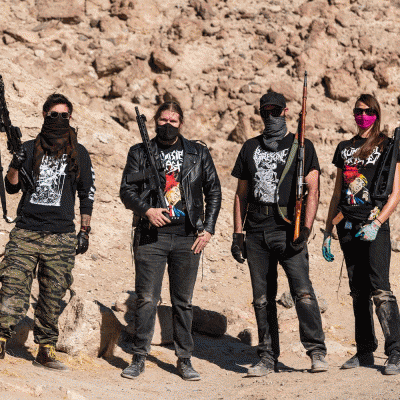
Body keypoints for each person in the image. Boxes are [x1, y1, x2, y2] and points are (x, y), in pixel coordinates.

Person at [119, 101, 221, 381]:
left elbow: (213, 190)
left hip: (188, 236)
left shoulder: (197, 152)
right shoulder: (139, 152)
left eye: (173, 121)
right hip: (151, 235)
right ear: (155, 121)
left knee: (183, 301)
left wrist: (208, 229)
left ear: (181, 123)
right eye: (163, 120)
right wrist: (147, 211)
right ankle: (139, 357)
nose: (167, 125)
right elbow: (126, 190)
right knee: (146, 299)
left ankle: (184, 359)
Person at [231, 91, 328, 376]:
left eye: (276, 111)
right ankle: (267, 357)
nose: (271, 116)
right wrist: (238, 233)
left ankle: (316, 352)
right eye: (266, 111)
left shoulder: (302, 146)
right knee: (262, 299)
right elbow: (241, 194)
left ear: (285, 111)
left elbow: (313, 189)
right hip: (256, 230)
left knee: (303, 292)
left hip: (288, 228)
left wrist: (306, 228)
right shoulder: (249, 147)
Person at [0, 94, 95, 370]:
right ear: (44, 115)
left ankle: (45, 349)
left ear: (71, 118)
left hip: (61, 236)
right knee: (12, 288)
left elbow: (86, 193)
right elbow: (11, 187)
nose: (59, 120)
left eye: (65, 115)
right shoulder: (29, 148)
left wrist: (85, 230)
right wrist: (16, 164)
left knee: (52, 296)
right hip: (26, 232)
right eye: (54, 115)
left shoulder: (79, 153)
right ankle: (1, 338)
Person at [323, 94, 400, 375]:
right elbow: (336, 192)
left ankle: (396, 351)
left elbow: (396, 192)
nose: (362, 115)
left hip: (373, 224)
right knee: (358, 291)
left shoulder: (388, 146)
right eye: (358, 111)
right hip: (347, 226)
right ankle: (365, 351)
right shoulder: (344, 148)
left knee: (380, 288)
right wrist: (327, 229)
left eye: (368, 111)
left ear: (376, 114)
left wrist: (378, 222)